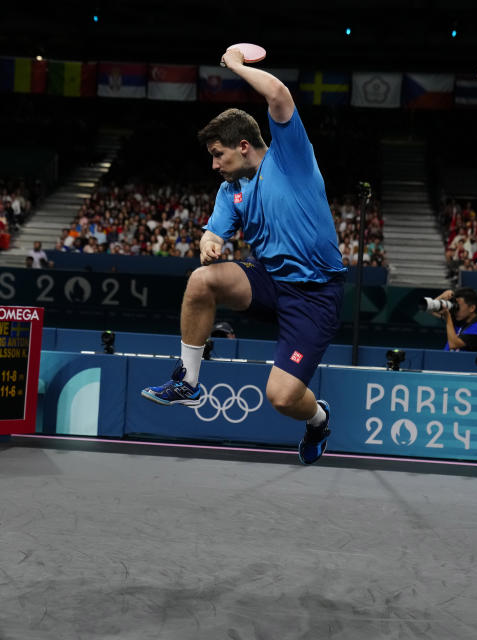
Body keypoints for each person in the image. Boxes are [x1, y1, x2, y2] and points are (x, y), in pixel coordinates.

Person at [141, 48, 346, 466]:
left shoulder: (291, 161)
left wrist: (235, 65)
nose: (215, 165)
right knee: (202, 280)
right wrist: (209, 244)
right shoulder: (229, 190)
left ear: (245, 146)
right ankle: (188, 381)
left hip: (315, 294)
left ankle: (320, 419)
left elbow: (280, 96)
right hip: (270, 282)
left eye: (219, 155)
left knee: (282, 398)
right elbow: (213, 234)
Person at [435, 287, 477, 352]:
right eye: (454, 305)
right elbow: (433, 310)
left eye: (458, 307)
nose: (455, 310)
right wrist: (442, 296)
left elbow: (453, 344)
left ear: (472, 308)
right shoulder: (459, 319)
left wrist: (448, 318)